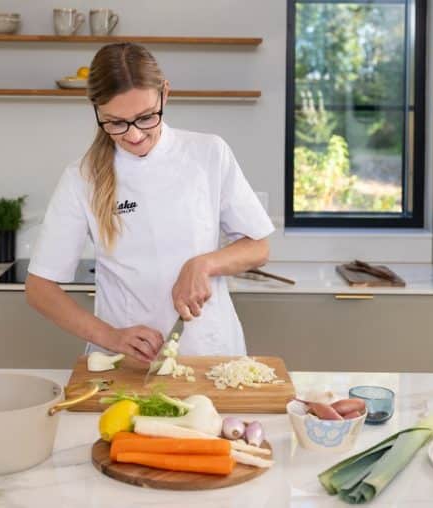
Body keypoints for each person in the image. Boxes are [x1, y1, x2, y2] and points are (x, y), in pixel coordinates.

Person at [25, 43, 274, 363]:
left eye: (145, 118)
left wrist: (204, 264)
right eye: (116, 122)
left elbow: (258, 247)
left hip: (209, 353)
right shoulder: (82, 178)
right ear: (96, 109)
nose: (133, 136)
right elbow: (39, 288)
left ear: (164, 94)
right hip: (126, 361)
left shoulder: (209, 153)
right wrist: (110, 337)